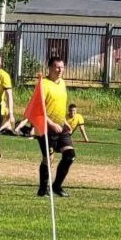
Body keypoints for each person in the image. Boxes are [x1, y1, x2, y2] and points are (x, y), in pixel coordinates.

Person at [35, 56, 76, 197]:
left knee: (70, 156)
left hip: (60, 126)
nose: (60, 70)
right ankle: (42, 189)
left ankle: (57, 186)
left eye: (62, 67)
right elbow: (39, 109)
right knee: (49, 158)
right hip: (46, 127)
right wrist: (51, 123)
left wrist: (65, 122)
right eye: (57, 67)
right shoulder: (43, 84)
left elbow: (58, 106)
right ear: (50, 68)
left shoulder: (62, 83)